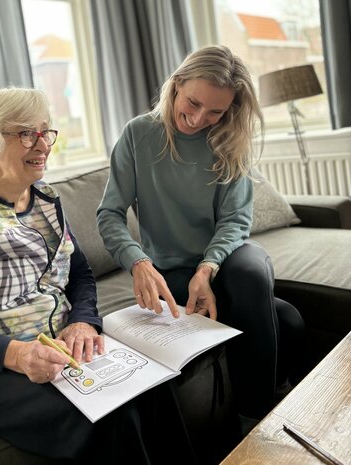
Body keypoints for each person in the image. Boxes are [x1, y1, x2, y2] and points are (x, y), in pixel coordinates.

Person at [0, 88, 198, 464]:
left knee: (154, 388)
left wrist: (83, 321)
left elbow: (79, 274)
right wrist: (16, 355)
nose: (42, 144)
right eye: (26, 133)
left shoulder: (45, 197)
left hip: (62, 349)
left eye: (45, 132)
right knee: (112, 416)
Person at [97, 45, 305, 425]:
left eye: (215, 112)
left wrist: (207, 269)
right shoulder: (139, 135)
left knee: (249, 274)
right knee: (287, 319)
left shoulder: (228, 139)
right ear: (176, 85)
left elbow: (235, 220)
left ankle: (259, 417)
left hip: (226, 256)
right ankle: (262, 416)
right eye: (193, 102)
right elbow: (109, 213)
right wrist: (139, 262)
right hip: (172, 270)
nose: (197, 119)